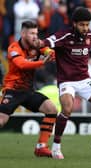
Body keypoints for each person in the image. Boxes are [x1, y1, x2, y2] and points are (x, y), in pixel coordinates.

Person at [35, 7, 91, 159]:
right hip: (67, 81)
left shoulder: (90, 36)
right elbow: (44, 42)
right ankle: (56, 147)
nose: (85, 28)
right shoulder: (64, 36)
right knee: (67, 109)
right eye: (82, 25)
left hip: (84, 80)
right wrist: (41, 46)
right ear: (74, 23)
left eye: (87, 24)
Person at [0, 21, 58, 157]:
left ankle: (41, 147)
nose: (35, 36)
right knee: (1, 120)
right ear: (23, 33)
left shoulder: (37, 45)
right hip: (12, 90)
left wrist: (49, 51)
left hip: (28, 91)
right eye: (32, 33)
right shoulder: (13, 48)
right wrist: (42, 62)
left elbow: (50, 52)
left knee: (52, 109)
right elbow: (22, 64)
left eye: (36, 33)